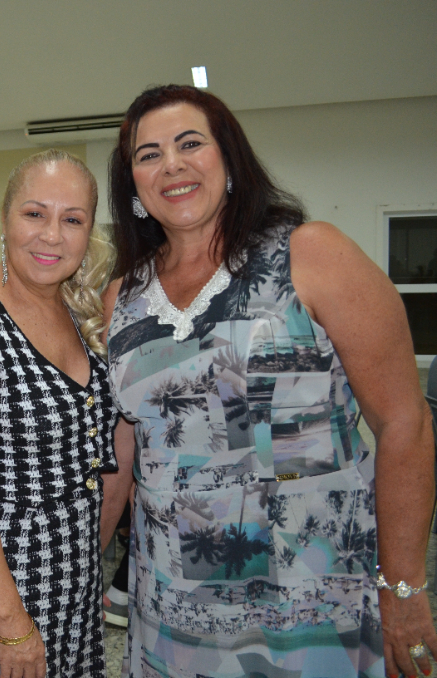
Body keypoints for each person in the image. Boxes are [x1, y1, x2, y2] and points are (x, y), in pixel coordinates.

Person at [100, 84, 437, 678]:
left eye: (189, 143)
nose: (171, 164)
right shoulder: (121, 299)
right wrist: (83, 567)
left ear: (228, 160)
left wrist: (404, 586)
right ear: (133, 185)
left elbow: (403, 421)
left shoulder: (311, 255)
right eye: (148, 154)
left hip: (310, 600)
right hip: (173, 607)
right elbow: (125, 453)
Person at [0, 148, 119, 678]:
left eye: (72, 219)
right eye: (35, 214)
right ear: (6, 219)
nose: (52, 235)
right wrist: (11, 623)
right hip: (3, 586)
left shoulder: (76, 310)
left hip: (76, 576)